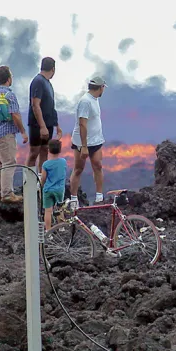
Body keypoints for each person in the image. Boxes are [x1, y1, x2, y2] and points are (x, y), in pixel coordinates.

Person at [0, 65, 27, 203]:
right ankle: (7, 194)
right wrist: (23, 132)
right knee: (9, 162)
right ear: (8, 79)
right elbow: (15, 115)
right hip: (7, 133)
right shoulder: (9, 95)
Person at [69, 76, 107, 207]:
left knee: (98, 166)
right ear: (100, 87)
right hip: (82, 143)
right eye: (103, 88)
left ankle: (99, 197)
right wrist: (84, 146)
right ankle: (74, 199)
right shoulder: (85, 101)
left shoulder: (95, 99)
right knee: (78, 168)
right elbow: (82, 124)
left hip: (96, 141)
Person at [26, 57, 62, 177]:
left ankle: (41, 180)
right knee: (34, 152)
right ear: (53, 69)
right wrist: (42, 127)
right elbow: (35, 105)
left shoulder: (48, 83)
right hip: (37, 125)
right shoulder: (38, 81)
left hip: (49, 123)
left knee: (44, 151)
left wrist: (57, 125)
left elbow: (51, 105)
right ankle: (29, 182)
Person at [41, 139, 67, 230]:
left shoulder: (46, 164)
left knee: (48, 211)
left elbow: (43, 178)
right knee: (60, 208)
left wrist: (41, 184)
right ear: (60, 150)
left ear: (48, 150)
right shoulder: (63, 161)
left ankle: (48, 230)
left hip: (48, 190)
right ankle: (61, 228)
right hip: (59, 190)